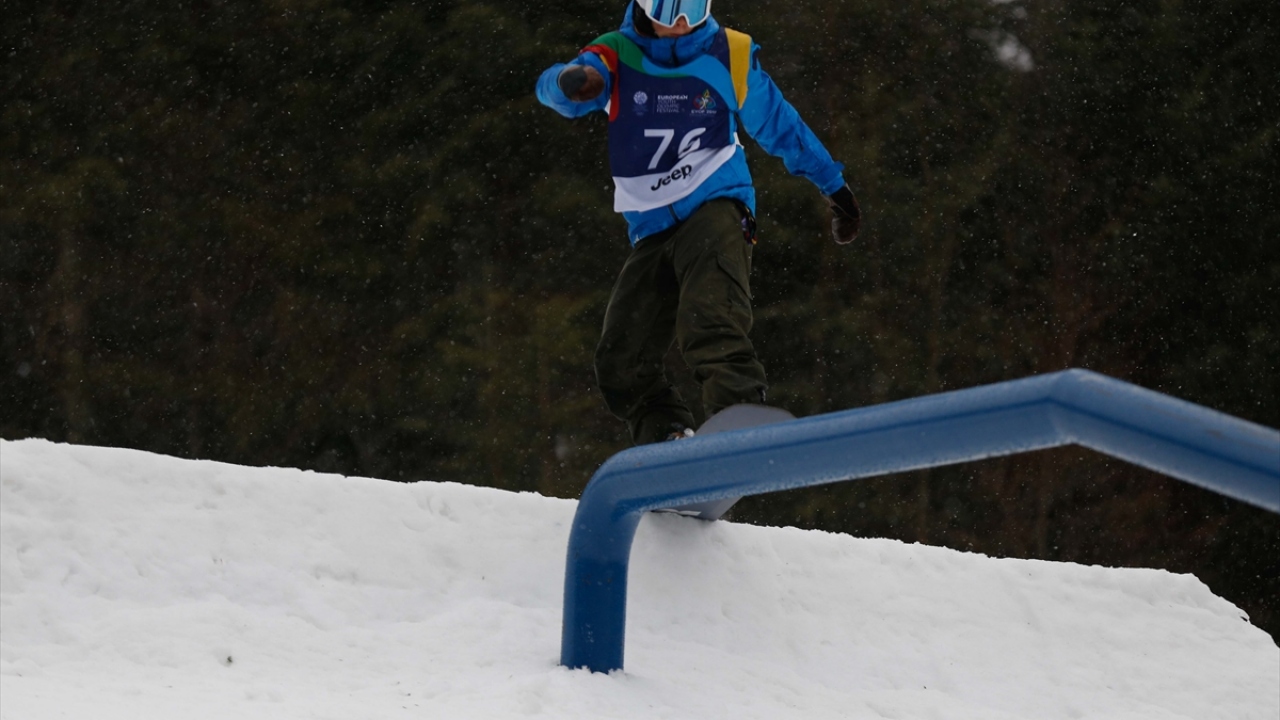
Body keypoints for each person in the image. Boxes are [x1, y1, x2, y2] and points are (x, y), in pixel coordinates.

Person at [536, 0, 861, 445]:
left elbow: (782, 127)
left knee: (708, 316)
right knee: (621, 357)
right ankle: (667, 439)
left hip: (716, 204)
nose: (683, 22)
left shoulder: (729, 53)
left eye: (692, 6)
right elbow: (560, 89)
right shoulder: (616, 54)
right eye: (671, 9)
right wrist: (566, 83)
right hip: (651, 229)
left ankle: (740, 416)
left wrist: (834, 187)